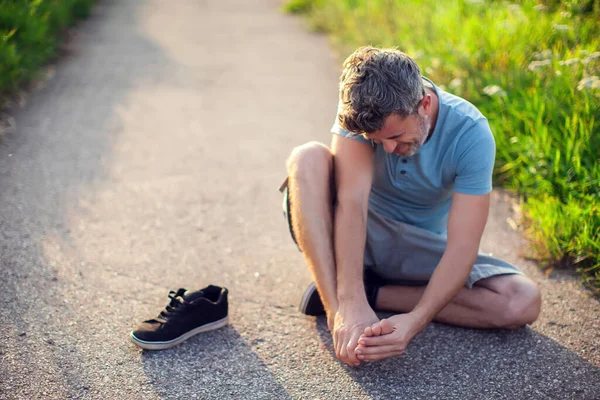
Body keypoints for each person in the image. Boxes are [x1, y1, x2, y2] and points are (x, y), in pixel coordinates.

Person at [280, 46, 541, 366]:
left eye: (396, 136)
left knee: (521, 301)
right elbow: (352, 204)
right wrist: (345, 307)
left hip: (418, 251)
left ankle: (376, 293)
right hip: (349, 233)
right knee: (307, 157)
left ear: (425, 104)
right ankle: (334, 304)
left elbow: (462, 246)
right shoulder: (363, 106)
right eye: (377, 140)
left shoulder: (471, 133)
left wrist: (416, 320)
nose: (387, 149)